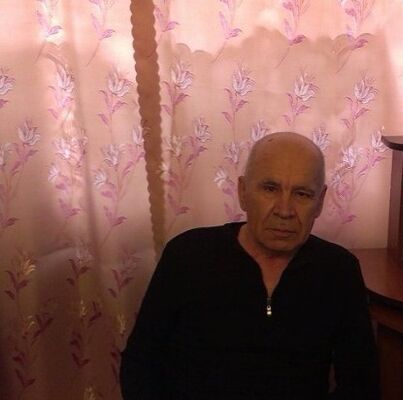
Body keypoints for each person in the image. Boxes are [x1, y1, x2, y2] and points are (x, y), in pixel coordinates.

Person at [120, 132, 380, 399]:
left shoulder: (338, 271)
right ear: (243, 192)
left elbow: (361, 384)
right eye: (270, 189)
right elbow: (140, 364)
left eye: (302, 194)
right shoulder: (188, 255)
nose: (285, 210)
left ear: (320, 202)